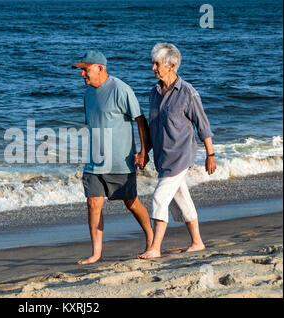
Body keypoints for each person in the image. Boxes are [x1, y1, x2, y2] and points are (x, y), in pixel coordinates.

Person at [72, 50, 154, 265]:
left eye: (85, 70)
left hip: (120, 160)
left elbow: (140, 120)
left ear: (101, 68)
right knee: (93, 203)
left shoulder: (120, 89)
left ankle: (151, 238)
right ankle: (96, 253)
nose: (82, 75)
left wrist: (144, 152)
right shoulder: (88, 94)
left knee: (131, 202)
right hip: (94, 161)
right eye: (81, 70)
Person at [138, 43, 217, 259]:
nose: (153, 68)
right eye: (153, 63)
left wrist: (210, 155)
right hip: (162, 158)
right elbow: (152, 127)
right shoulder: (153, 93)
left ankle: (155, 248)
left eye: (157, 64)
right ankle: (197, 241)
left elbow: (203, 125)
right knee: (181, 199)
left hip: (181, 155)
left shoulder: (188, 93)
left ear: (172, 65)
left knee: (159, 198)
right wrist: (144, 152)